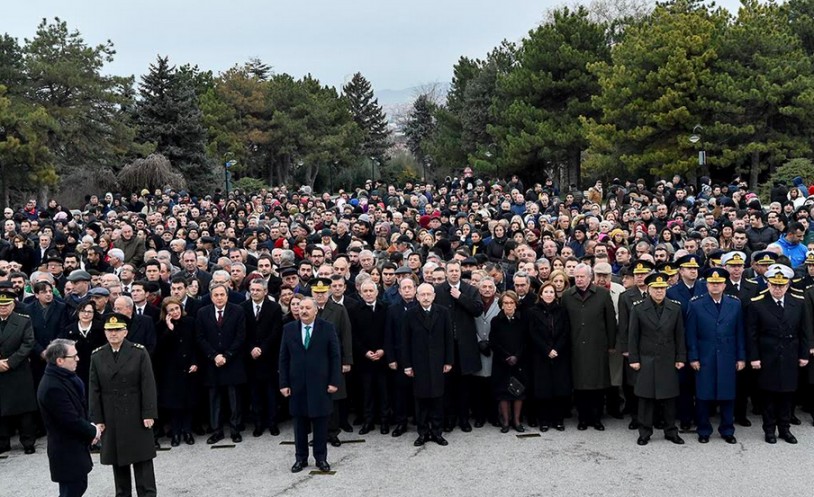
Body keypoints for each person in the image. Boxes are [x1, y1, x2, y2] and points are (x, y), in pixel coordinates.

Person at [89, 313, 158, 497]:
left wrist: (148, 413)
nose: (113, 334)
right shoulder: (97, 355)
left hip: (135, 410)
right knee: (118, 460)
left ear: (125, 332)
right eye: (109, 331)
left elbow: (148, 384)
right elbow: (94, 389)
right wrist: (98, 418)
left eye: (117, 330)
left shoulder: (138, 352)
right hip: (111, 412)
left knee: (142, 458)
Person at [746, 264, 810, 444]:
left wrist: (804, 355)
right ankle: (769, 430)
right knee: (768, 395)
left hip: (790, 354)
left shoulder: (798, 302)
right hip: (767, 356)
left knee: (787, 395)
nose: (777, 288)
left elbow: (804, 331)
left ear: (788, 285)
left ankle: (785, 429)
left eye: (781, 285)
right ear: (768, 284)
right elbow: (752, 335)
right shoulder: (757, 304)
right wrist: (754, 357)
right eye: (774, 284)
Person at [279, 297, 341, 473]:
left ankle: (321, 458)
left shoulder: (327, 328)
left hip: (321, 385)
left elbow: (335, 356)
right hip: (297, 385)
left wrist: (334, 381)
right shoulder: (289, 329)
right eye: (300, 307)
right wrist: (283, 383)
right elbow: (283, 358)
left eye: (307, 308)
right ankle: (301, 459)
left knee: (321, 424)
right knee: (299, 425)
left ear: (316, 311)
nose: (303, 311)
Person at [685, 268, 745, 444]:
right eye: (712, 283)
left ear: (724, 285)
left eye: (718, 283)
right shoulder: (695, 304)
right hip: (705, 356)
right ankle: (704, 430)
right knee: (703, 395)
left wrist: (741, 357)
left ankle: (727, 429)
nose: (715, 286)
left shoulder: (735, 304)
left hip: (728, 356)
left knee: (728, 395)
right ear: (707, 284)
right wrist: (693, 357)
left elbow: (739, 332)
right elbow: (691, 334)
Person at [37, 339, 102, 497]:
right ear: (60, 361)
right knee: (72, 490)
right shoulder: (53, 387)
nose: (78, 359)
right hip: (66, 450)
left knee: (77, 487)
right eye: (73, 356)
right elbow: (70, 420)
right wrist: (93, 431)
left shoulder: (65, 378)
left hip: (74, 446)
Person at [628, 272, 686, 446]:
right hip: (646, 358)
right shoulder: (638, 308)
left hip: (668, 358)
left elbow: (680, 336)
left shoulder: (675, 308)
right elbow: (633, 336)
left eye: (662, 288)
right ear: (649, 289)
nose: (660, 291)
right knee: (645, 398)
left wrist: (680, 357)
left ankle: (671, 431)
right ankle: (644, 432)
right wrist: (634, 359)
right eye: (656, 288)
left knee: (669, 397)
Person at [561, 263, 617, 431]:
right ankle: (583, 418)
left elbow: (610, 321)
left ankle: (597, 417)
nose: (578, 279)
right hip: (575, 346)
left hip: (597, 346)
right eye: (576, 277)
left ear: (590, 277)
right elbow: (564, 323)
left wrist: (611, 344)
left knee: (598, 385)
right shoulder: (567, 296)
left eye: (582, 276)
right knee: (580, 386)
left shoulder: (602, 294)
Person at [402, 283, 454, 447]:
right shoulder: (410, 314)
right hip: (419, 363)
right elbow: (405, 341)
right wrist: (407, 365)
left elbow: (449, 339)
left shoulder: (443, 312)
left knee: (438, 399)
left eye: (428, 294)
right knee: (421, 400)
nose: (425, 297)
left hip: (438, 362)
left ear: (433, 296)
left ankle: (437, 432)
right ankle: (423, 432)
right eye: (422, 294)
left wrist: (448, 361)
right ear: (417, 296)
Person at [195, 282, 247, 444]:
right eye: (216, 295)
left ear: (227, 296)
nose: (219, 298)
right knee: (214, 399)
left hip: (232, 361)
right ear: (211, 297)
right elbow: (200, 337)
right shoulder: (203, 312)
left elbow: (240, 336)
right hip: (212, 363)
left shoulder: (237, 311)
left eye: (222, 294)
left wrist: (227, 355)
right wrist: (214, 356)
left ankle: (235, 429)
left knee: (234, 400)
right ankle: (217, 431)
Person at [528, 282, 572, 432]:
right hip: (541, 355)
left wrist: (556, 349)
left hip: (559, 355)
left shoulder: (562, 310)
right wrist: (547, 350)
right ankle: (544, 420)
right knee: (543, 389)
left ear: (555, 294)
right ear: (540, 294)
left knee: (559, 389)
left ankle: (558, 420)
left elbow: (566, 331)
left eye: (551, 292)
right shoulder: (533, 311)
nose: (548, 294)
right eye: (546, 292)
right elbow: (533, 334)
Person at [155, 297, 198, 446]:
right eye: (171, 310)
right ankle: (176, 433)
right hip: (171, 371)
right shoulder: (161, 326)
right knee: (174, 404)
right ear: (166, 313)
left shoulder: (190, 322)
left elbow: (195, 344)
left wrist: (194, 362)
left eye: (177, 308)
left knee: (188, 402)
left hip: (188, 367)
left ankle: (187, 431)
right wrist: (169, 329)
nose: (175, 312)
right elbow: (159, 349)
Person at [0, 286, 38, 455]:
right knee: (1, 409)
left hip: (18, 369)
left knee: (24, 410)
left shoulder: (24, 321)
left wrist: (10, 362)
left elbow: (28, 343)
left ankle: (28, 441)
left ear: (13, 305)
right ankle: (2, 442)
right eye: (0, 305)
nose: (3, 308)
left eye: (6, 304)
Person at [489, 291, 527, 433]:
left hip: (519, 361)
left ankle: (516, 421)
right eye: (506, 303)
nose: (509, 306)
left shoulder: (522, 320)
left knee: (519, 391)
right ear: (501, 305)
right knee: (503, 392)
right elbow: (494, 342)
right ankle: (505, 421)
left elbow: (525, 341)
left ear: (516, 304)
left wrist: (517, 356)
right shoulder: (496, 321)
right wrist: (506, 357)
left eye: (511, 303)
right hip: (502, 361)